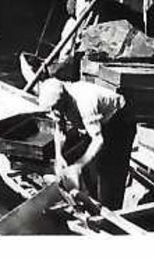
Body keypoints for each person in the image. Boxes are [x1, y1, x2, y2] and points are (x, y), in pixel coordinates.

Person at [35, 77, 136, 209]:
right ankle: (91, 201)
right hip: (98, 124)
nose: (56, 111)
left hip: (120, 120)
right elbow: (59, 129)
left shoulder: (85, 101)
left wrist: (79, 164)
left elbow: (98, 141)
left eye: (57, 108)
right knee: (85, 162)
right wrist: (59, 156)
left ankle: (110, 211)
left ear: (65, 99)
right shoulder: (59, 103)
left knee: (109, 169)